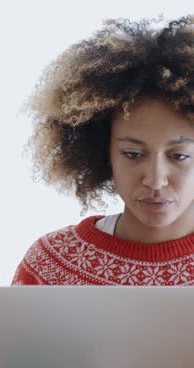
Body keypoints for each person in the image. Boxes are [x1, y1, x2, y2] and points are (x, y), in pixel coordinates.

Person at [12, 16, 194, 286]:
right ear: (102, 152)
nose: (155, 180)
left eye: (179, 156)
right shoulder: (49, 264)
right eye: (132, 154)